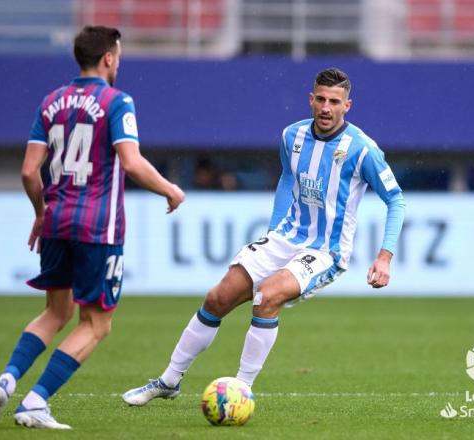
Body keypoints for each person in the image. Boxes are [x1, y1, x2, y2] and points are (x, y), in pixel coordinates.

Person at [122, 67, 405, 405]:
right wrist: (275, 229)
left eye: (334, 102)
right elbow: (288, 179)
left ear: (348, 106)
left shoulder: (362, 149)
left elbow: (396, 200)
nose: (326, 108)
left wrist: (385, 256)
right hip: (285, 237)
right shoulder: (292, 136)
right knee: (218, 297)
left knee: (268, 296)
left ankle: (240, 391)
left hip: (325, 250)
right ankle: (168, 381)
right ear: (310, 99)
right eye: (321, 99)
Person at [0, 25, 184, 429]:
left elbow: (28, 171)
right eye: (118, 55)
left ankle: (7, 379)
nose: (118, 62)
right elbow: (131, 161)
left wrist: (41, 211)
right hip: (97, 228)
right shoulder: (117, 101)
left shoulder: (51, 101)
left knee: (55, 311)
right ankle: (35, 401)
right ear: (108, 57)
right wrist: (170, 190)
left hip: (55, 221)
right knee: (96, 323)